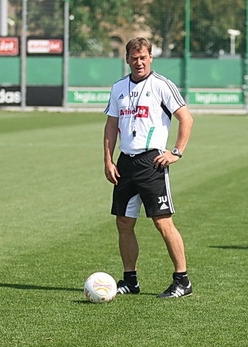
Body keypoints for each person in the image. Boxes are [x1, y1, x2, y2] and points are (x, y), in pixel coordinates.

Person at [103, 37, 194, 299]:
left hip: (151, 162)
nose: (139, 62)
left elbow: (185, 118)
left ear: (151, 57)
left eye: (143, 57)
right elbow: (111, 125)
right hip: (125, 163)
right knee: (123, 222)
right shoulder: (119, 87)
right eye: (134, 57)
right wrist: (108, 160)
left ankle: (182, 280)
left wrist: (176, 151)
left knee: (162, 221)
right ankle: (130, 280)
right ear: (127, 59)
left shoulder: (162, 85)